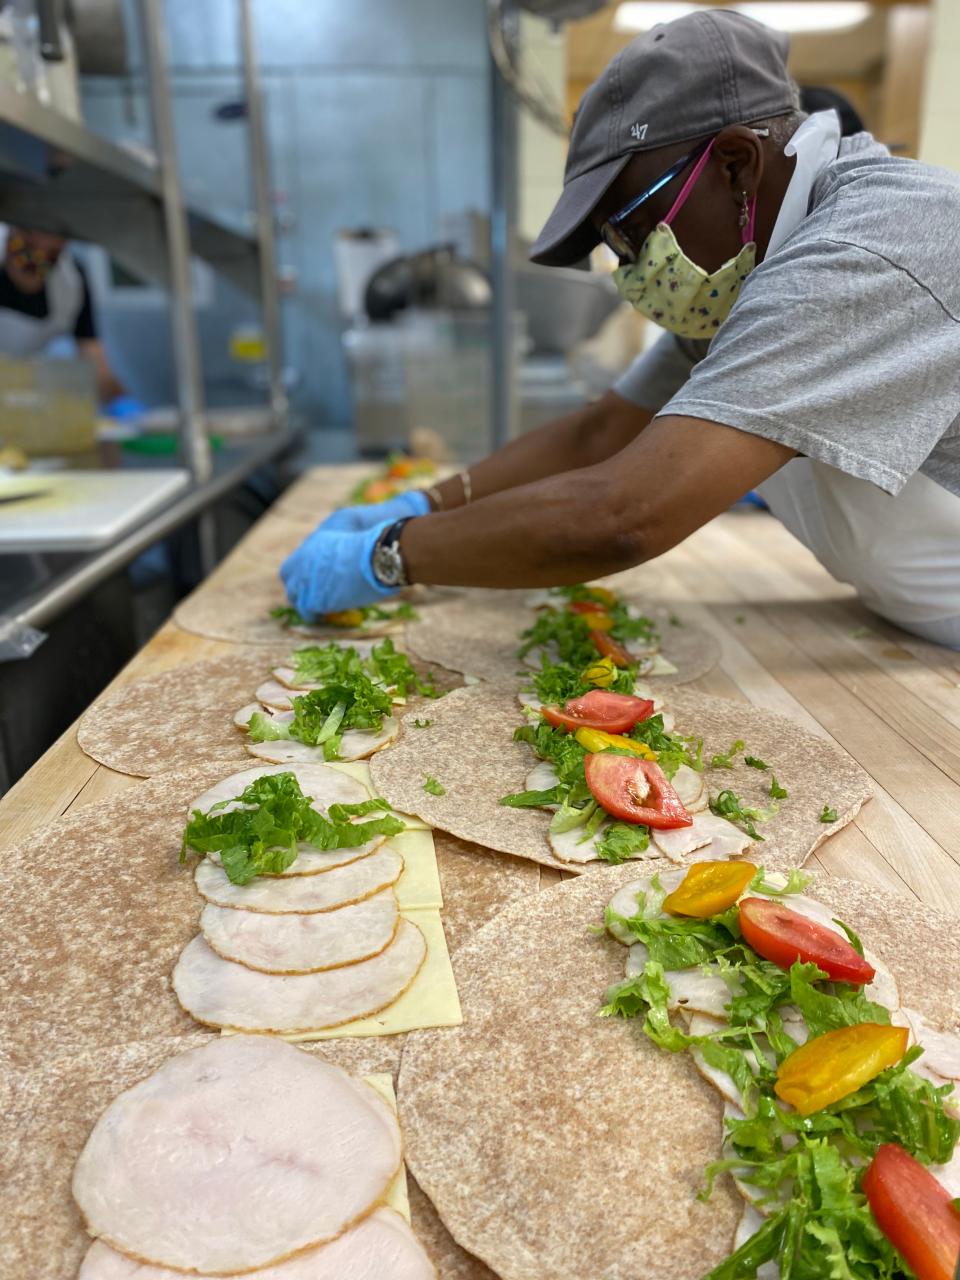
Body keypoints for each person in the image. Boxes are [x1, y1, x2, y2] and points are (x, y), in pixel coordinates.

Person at [281, 11, 960, 649]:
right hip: (907, 625)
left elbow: (622, 516)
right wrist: (423, 503)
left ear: (734, 165)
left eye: (632, 228)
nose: (630, 266)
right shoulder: (760, 264)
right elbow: (601, 433)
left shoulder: (867, 249)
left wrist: (392, 552)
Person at [0, 224, 125, 403]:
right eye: (28, 253)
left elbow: (96, 365)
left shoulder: (72, 283)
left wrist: (125, 394)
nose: (37, 262)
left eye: (50, 256)